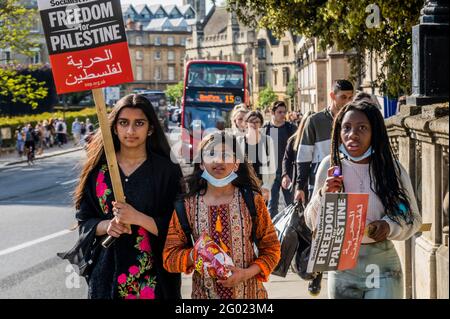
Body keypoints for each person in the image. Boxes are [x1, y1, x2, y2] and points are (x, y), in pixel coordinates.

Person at [59, 94, 183, 299]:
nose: (130, 131)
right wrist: (106, 226)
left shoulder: (166, 171)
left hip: (153, 282)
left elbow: (180, 227)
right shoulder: (98, 171)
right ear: (114, 128)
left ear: (150, 128)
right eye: (123, 123)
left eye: (139, 123)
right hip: (105, 278)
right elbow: (84, 221)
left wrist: (139, 218)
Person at [304, 100, 422, 299]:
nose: (353, 134)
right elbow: (310, 221)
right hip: (341, 266)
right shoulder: (330, 166)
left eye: (362, 128)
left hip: (383, 268)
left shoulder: (389, 169)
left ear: (374, 132)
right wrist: (323, 194)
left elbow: (411, 216)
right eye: (347, 128)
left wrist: (389, 226)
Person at [163, 131, 281, 299]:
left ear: (236, 163)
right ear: (202, 164)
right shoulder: (186, 206)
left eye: (226, 155)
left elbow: (272, 249)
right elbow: (169, 258)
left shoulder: (253, 201)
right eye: (211, 154)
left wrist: (246, 273)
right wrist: (194, 255)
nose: (218, 160)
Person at [295, 79, 354, 204]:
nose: (348, 101)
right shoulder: (314, 121)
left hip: (350, 183)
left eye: (350, 97)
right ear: (332, 96)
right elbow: (303, 156)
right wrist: (300, 187)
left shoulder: (355, 121)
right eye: (343, 97)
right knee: (318, 222)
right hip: (320, 184)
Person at [263, 101, 297, 218]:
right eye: (279, 112)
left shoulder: (291, 128)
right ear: (272, 113)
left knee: (290, 205)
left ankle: (289, 233)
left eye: (284, 112)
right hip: (270, 174)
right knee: (272, 206)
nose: (283, 115)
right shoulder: (266, 129)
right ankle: (272, 233)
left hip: (287, 173)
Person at [237, 110, 276, 202]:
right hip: (244, 185)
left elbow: (272, 167)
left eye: (257, 122)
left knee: (260, 215)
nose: (254, 124)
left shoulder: (267, 141)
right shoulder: (239, 141)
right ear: (246, 123)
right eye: (251, 121)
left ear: (261, 124)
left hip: (261, 186)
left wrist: (267, 187)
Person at [281, 111, 315, 198]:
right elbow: (286, 159)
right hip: (298, 180)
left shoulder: (319, 140)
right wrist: (285, 175)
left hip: (315, 179)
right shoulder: (293, 140)